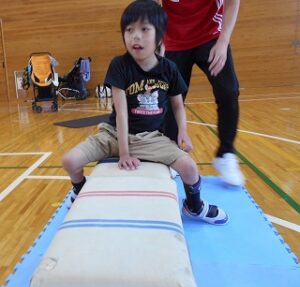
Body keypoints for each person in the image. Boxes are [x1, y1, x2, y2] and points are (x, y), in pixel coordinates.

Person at [62, 0, 228, 225]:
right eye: (129, 30)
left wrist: (183, 133)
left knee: (189, 167)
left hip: (150, 138)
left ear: (160, 36)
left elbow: (178, 105)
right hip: (112, 134)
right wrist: (123, 153)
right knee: (70, 161)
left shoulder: (168, 68)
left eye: (144, 29)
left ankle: (194, 206)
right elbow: (120, 114)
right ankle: (79, 191)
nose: (135, 37)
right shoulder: (119, 65)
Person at [156, 0, 245, 186]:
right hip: (174, 39)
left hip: (211, 35)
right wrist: (159, 39)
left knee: (229, 90)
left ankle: (225, 154)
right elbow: (155, 4)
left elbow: (232, 2)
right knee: (172, 98)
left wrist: (224, 41)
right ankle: (171, 155)